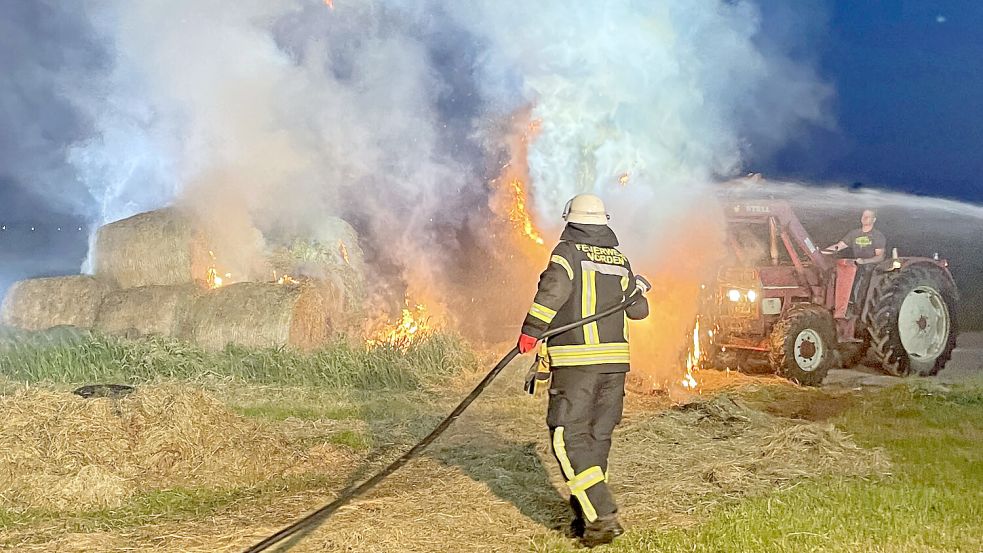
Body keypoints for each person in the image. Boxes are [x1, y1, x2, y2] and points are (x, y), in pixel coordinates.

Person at [517, 193, 649, 548]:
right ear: (604, 222)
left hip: (578, 363)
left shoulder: (569, 253)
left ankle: (603, 513)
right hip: (615, 365)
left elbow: (553, 291)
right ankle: (587, 518)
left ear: (570, 221)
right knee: (595, 437)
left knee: (566, 436)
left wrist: (530, 332)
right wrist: (635, 288)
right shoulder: (620, 260)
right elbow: (639, 312)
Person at [823, 209, 887, 312]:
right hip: (856, 265)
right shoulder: (854, 233)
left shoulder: (877, 236)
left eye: (868, 216)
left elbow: (880, 257)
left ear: (874, 220)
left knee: (862, 276)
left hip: (871, 266)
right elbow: (838, 246)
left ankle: (857, 307)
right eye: (863, 216)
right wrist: (822, 253)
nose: (865, 218)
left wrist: (865, 261)